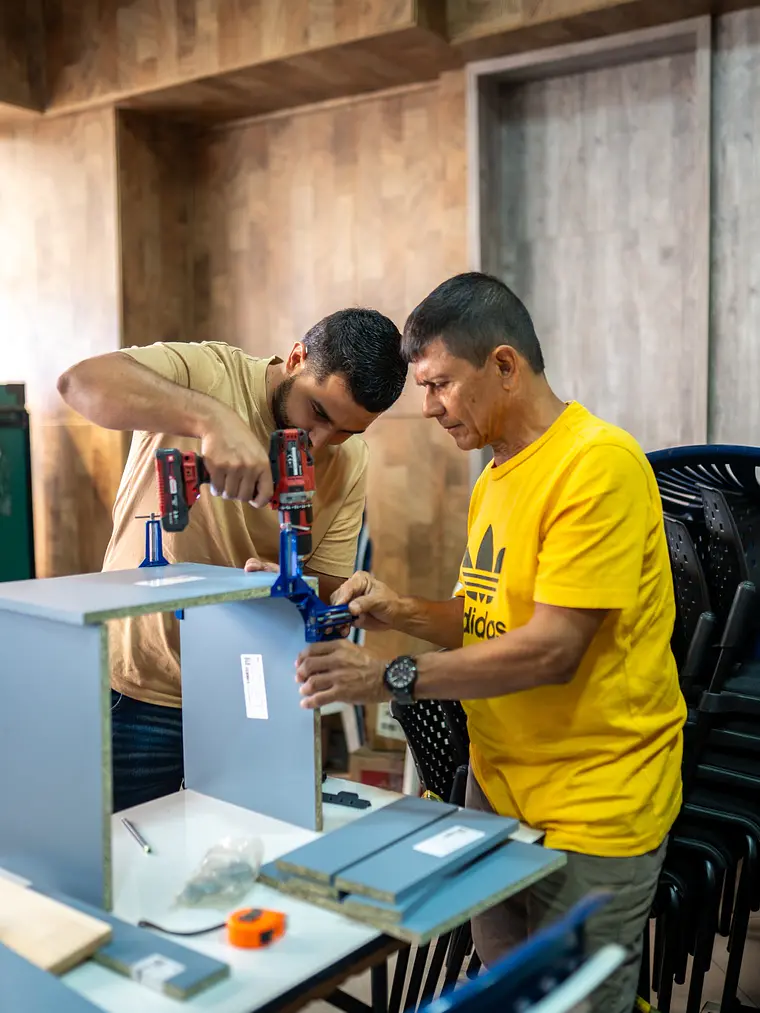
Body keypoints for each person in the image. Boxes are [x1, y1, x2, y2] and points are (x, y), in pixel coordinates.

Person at [293, 273, 687, 1013]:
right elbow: (487, 619)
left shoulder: (596, 465)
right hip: (495, 789)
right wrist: (399, 607)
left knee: (576, 1000)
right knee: (507, 989)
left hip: (592, 799)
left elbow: (550, 650)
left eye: (440, 383)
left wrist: (386, 678)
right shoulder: (496, 476)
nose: (429, 406)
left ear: (504, 366)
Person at [57, 309, 407, 812]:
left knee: (245, 858)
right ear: (296, 358)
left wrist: (297, 585)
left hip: (250, 697)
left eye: (347, 432)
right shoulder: (209, 373)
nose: (320, 443)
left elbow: (327, 582)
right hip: (140, 691)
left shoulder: (349, 462)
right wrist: (211, 420)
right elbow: (79, 383)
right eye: (320, 414)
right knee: (126, 859)